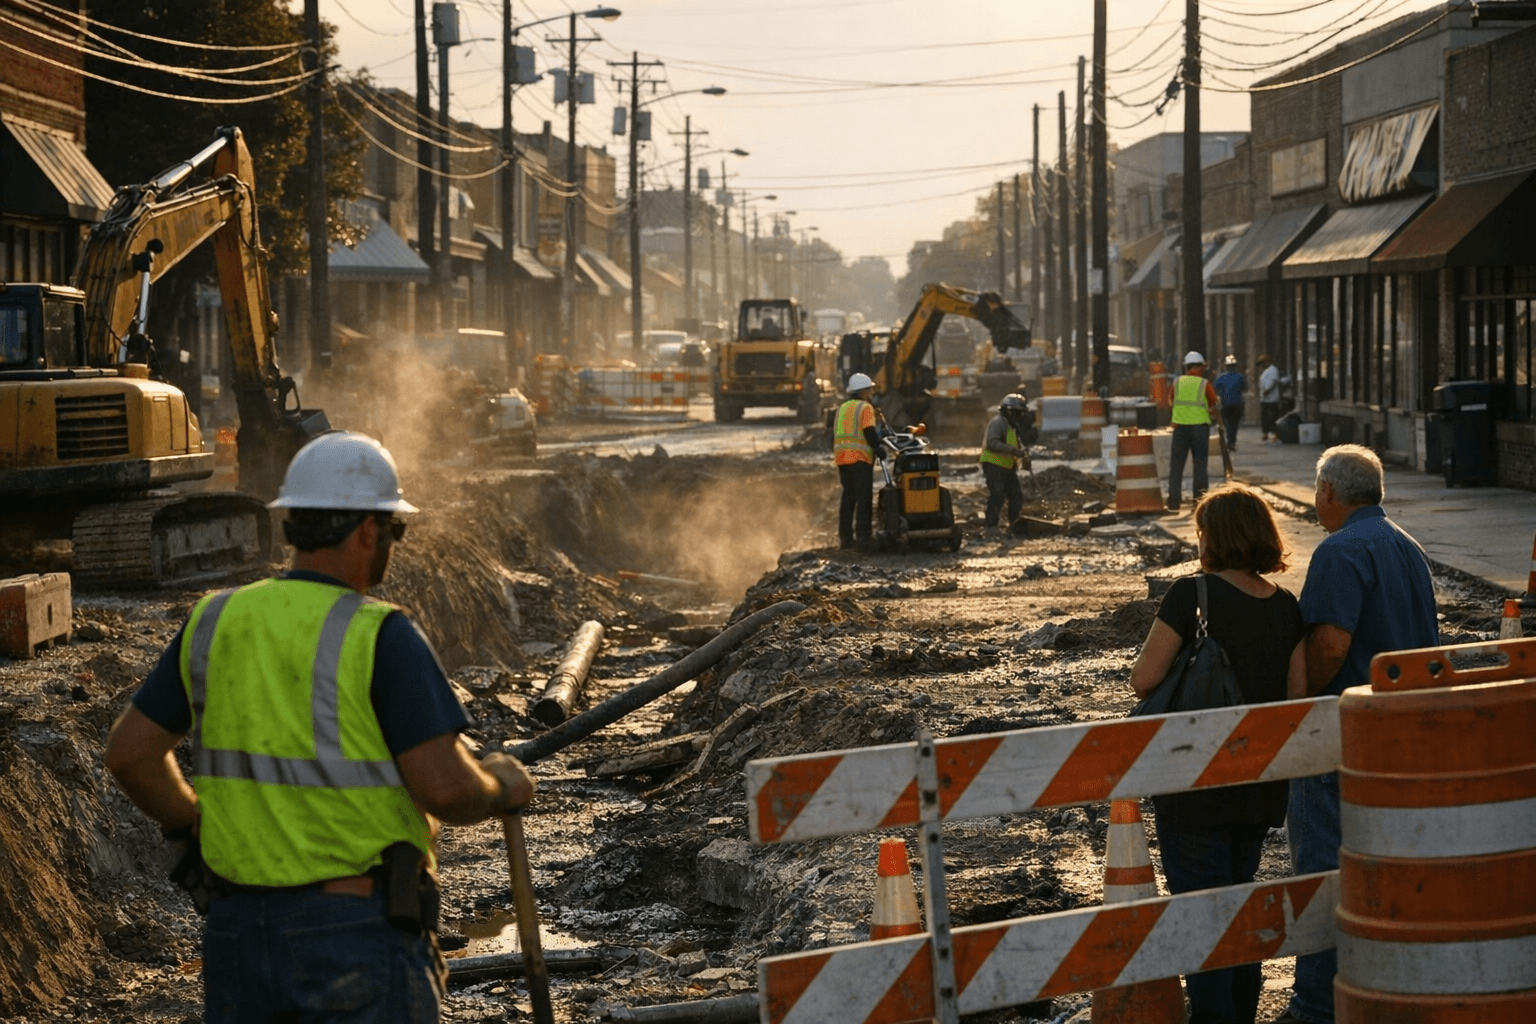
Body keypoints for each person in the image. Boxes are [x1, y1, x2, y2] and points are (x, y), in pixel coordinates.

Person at [103, 431, 536, 1024]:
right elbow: (446, 789)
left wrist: (193, 821)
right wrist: (501, 786)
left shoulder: (215, 620)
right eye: (393, 530)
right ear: (366, 530)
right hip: (353, 936)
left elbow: (130, 754)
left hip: (237, 936)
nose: (391, 543)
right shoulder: (381, 635)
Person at [1130, 485, 1306, 1024]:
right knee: (1237, 912)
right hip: (1258, 784)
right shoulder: (1286, 606)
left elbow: (1145, 679)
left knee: (1201, 921)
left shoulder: (1192, 595)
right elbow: (1297, 699)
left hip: (1194, 784)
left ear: (1215, 537)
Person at [1274, 444, 1438, 1024]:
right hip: (1406, 733)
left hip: (1343, 733)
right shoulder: (1406, 547)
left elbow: (1331, 644)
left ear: (1327, 494)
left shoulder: (1340, 552)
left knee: (1323, 867)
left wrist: (1298, 705)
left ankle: (1318, 1004)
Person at [833, 373, 883, 549]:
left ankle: (845, 538)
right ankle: (864, 538)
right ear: (862, 391)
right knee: (864, 498)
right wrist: (878, 448)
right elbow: (869, 432)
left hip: (842, 458)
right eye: (869, 389)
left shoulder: (842, 408)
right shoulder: (865, 408)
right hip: (860, 458)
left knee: (848, 498)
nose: (871, 392)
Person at [1168, 350, 1219, 513]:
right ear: (1199, 367)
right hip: (1200, 429)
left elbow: (1170, 401)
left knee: (1176, 466)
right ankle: (1199, 503)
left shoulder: (1177, 382)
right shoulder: (1204, 384)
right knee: (1200, 465)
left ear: (1187, 367)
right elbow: (1213, 403)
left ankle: (1173, 503)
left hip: (1180, 428)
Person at [979, 392, 1036, 530]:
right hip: (994, 465)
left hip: (1007, 466)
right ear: (1009, 411)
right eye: (1017, 413)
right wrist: (1015, 451)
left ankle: (1014, 522)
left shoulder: (1012, 426)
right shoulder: (998, 422)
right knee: (997, 494)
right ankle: (990, 525)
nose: (1019, 416)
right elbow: (992, 443)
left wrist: (1022, 457)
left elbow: (1015, 446)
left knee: (1016, 495)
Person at [1214, 354, 1246, 452]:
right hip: (1237, 403)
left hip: (1225, 403)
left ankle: (1230, 440)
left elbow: (1216, 387)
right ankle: (1231, 442)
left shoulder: (1221, 376)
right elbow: (1244, 387)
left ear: (1226, 365)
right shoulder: (1240, 376)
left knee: (1227, 422)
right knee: (1234, 423)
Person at [1258, 355, 1281, 442]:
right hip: (1265, 399)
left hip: (1271, 398)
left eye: (1262, 363)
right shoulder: (1266, 371)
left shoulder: (1273, 369)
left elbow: (1274, 381)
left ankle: (1274, 433)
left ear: (1266, 362)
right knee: (1265, 417)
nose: (1261, 366)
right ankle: (1266, 433)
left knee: (1272, 416)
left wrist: (1268, 391)